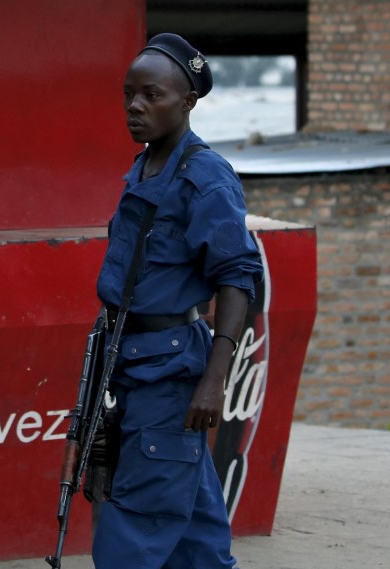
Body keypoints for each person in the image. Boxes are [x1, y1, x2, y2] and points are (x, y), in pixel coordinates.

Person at [91, 33, 264, 568]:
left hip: (169, 376)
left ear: (188, 101)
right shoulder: (145, 167)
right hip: (131, 364)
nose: (135, 107)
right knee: (197, 544)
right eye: (129, 94)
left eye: (152, 96)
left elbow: (238, 278)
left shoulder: (205, 179)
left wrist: (215, 381)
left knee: (130, 540)